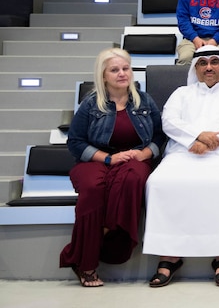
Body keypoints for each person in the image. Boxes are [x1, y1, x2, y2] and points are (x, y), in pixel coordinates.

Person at [143, 47, 219, 287]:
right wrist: (196, 137)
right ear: (196, 68)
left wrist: (208, 144)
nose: (209, 67)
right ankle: (169, 257)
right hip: (183, 153)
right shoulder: (181, 93)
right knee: (159, 183)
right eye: (203, 63)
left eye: (214, 62)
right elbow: (169, 122)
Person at [60, 48, 164, 287]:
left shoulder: (144, 100)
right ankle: (87, 263)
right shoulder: (90, 104)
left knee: (132, 179)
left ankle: (95, 243)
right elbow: (75, 142)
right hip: (95, 160)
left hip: (135, 159)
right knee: (93, 189)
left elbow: (159, 136)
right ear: (103, 75)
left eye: (125, 68)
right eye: (114, 70)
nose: (121, 74)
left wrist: (144, 154)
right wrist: (108, 159)